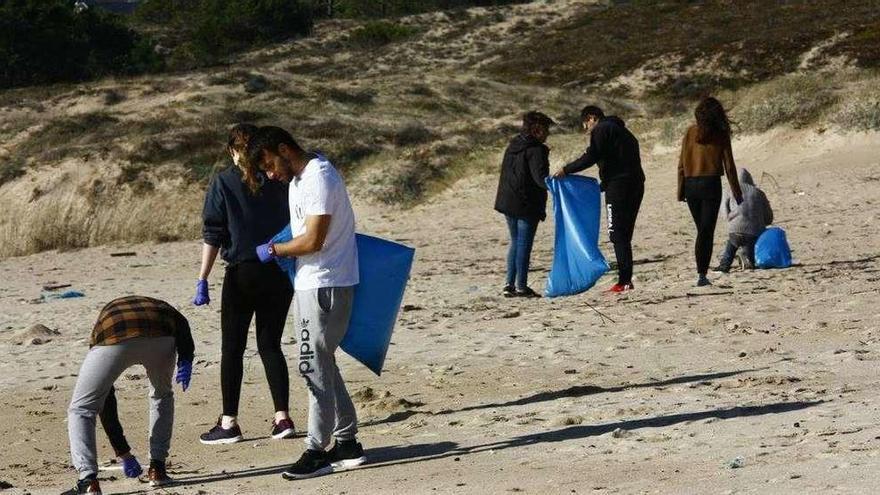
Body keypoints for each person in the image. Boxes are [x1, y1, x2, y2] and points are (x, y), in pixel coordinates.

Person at [246, 126, 366, 480]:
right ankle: (346, 441)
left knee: (311, 366)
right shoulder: (300, 180)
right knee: (322, 361)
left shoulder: (318, 177)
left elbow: (313, 240)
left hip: (324, 284)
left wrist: (273, 250)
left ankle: (316, 449)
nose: (271, 175)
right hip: (315, 282)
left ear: (284, 149)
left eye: (269, 165)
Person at [194, 124, 296, 445]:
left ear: (232, 151)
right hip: (280, 269)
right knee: (270, 345)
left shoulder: (223, 182)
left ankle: (229, 423)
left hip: (243, 273)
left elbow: (213, 234)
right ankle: (283, 418)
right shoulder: (279, 180)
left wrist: (202, 278)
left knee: (233, 348)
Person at [65, 296, 194, 495]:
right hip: (161, 336)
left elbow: (105, 400)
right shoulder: (163, 307)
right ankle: (157, 469)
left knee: (82, 408)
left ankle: (87, 480)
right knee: (162, 395)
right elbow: (183, 325)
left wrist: (123, 453)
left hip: (115, 338)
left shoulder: (104, 323)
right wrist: (186, 357)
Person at [553, 105, 645, 292]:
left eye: (585, 125)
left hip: (620, 187)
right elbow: (619, 161)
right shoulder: (622, 131)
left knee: (617, 234)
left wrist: (566, 170)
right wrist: (602, 186)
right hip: (635, 184)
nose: (586, 130)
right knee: (624, 234)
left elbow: (591, 156)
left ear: (592, 118)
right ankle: (625, 279)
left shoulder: (602, 129)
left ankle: (624, 281)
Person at [677, 96, 744, 286]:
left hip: (691, 186)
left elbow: (681, 164)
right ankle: (701, 275)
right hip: (710, 185)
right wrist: (737, 193)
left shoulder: (689, 132)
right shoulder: (720, 134)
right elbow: (729, 166)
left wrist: (681, 190)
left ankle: (701, 274)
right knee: (706, 232)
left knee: (702, 231)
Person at [493, 111, 555, 298]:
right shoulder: (536, 150)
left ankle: (509, 284)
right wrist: (558, 187)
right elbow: (539, 179)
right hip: (526, 203)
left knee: (515, 242)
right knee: (523, 245)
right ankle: (521, 286)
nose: (548, 134)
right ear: (537, 130)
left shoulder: (514, 144)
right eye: (546, 129)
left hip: (507, 201)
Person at [714, 168, 773, 272]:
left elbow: (724, 213)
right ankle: (748, 259)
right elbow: (769, 217)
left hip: (735, 229)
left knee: (731, 245)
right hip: (754, 231)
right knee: (750, 252)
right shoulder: (759, 193)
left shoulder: (729, 190)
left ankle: (725, 265)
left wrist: (731, 219)